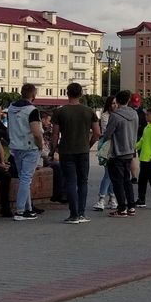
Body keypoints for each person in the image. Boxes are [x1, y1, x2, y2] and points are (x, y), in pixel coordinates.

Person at [51, 82, 99, 223]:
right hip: (83, 151)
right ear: (81, 94)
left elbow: (55, 134)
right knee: (83, 182)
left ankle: (73, 215)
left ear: (67, 93)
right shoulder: (89, 111)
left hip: (66, 151)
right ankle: (82, 213)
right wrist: (88, 145)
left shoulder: (59, 111)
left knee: (71, 181)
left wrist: (54, 149)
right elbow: (97, 133)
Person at [6, 84, 45, 221]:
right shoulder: (32, 110)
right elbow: (36, 133)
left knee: (24, 178)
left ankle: (28, 209)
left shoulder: (11, 108)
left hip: (16, 147)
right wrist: (40, 146)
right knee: (25, 179)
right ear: (34, 95)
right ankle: (20, 211)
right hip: (30, 148)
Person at [102, 89, 139, 217]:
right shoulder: (134, 114)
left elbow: (108, 134)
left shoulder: (115, 115)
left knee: (117, 181)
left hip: (117, 152)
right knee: (127, 180)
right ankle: (131, 207)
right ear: (128, 100)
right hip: (130, 151)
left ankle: (121, 208)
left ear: (117, 101)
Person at [92, 94, 120, 212]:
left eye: (116, 103)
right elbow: (108, 130)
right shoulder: (105, 116)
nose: (114, 105)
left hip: (116, 146)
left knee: (113, 174)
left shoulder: (118, 115)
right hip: (108, 146)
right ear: (108, 105)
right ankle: (102, 198)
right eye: (112, 103)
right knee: (108, 173)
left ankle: (112, 198)